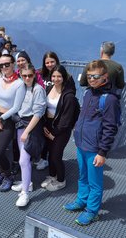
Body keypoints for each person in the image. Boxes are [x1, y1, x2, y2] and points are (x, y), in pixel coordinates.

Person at [63, 60, 120, 226]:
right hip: (82, 143)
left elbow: (111, 127)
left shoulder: (109, 99)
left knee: (95, 182)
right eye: (89, 76)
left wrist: (103, 153)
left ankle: (92, 211)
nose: (92, 79)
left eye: (95, 76)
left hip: (95, 148)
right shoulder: (89, 93)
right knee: (83, 176)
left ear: (105, 77)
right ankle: (82, 201)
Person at [0, 54, 26, 192]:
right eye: (1, 65)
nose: (4, 67)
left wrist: (0, 119)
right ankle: (0, 173)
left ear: (13, 64)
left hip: (7, 120)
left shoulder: (19, 84)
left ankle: (8, 176)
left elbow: (16, 107)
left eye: (7, 64)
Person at [41, 65, 79, 191]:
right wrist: (45, 126)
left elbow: (66, 119)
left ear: (64, 77)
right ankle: (52, 176)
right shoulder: (49, 88)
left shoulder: (68, 96)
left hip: (61, 129)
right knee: (50, 153)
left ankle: (61, 180)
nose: (56, 79)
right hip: (49, 125)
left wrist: (55, 134)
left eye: (59, 76)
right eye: (53, 76)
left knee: (56, 156)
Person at [13, 65, 46, 207]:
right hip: (21, 124)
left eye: (30, 75)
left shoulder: (38, 90)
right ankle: (27, 183)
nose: (27, 78)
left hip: (31, 126)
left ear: (34, 75)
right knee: (24, 158)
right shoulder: (21, 87)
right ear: (20, 74)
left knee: (23, 160)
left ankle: (25, 193)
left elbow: (38, 113)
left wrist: (27, 132)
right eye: (24, 75)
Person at [38, 51, 76, 170]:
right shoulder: (42, 75)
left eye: (52, 62)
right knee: (46, 143)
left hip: (59, 121)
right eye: (47, 62)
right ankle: (45, 161)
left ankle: (58, 176)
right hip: (46, 117)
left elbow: (69, 100)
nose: (49, 64)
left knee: (55, 152)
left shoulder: (68, 79)